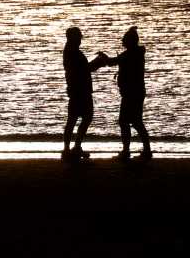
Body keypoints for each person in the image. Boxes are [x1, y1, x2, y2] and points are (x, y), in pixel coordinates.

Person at [99, 26, 152, 161]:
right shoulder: (136, 53)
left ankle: (128, 150)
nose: (123, 42)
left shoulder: (129, 54)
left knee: (126, 121)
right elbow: (114, 62)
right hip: (136, 92)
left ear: (130, 41)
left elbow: (111, 62)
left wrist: (103, 57)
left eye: (125, 40)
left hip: (131, 93)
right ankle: (145, 149)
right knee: (136, 121)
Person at [62, 26, 108, 160]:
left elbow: (84, 69)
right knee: (84, 117)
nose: (80, 40)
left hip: (75, 89)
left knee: (73, 119)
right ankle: (75, 147)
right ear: (74, 38)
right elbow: (84, 70)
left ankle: (69, 149)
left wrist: (96, 63)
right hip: (80, 90)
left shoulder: (70, 51)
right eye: (79, 37)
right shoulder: (73, 52)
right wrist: (99, 62)